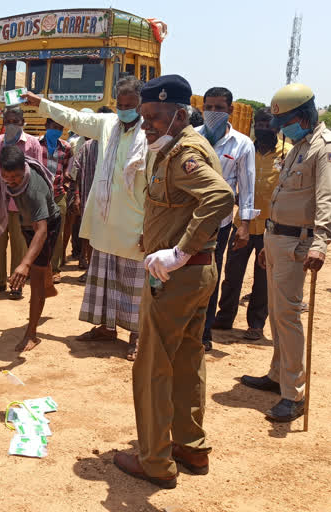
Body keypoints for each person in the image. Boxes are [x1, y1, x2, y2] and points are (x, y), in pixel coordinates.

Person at [111, 74, 234, 488]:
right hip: (194, 273)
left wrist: (178, 250)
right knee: (186, 361)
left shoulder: (185, 152)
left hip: (177, 277)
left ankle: (155, 461)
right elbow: (181, 204)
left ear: (179, 114)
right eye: (144, 117)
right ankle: (190, 446)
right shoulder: (171, 147)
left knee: (152, 367)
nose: (146, 125)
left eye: (154, 117)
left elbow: (219, 197)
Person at [23, 76, 149, 361]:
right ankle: (105, 327)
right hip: (105, 219)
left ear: (141, 105)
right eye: (121, 105)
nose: (124, 110)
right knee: (104, 278)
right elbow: (74, 118)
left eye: (130, 106)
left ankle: (138, 335)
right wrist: (41, 103)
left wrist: (148, 226)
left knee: (134, 283)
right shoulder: (107, 125)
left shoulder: (149, 133)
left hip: (134, 221)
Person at [241, 83, 331, 422]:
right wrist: (268, 240)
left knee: (289, 317)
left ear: (304, 115)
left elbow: (327, 199)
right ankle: (278, 374)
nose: (283, 129)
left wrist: (321, 244)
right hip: (277, 238)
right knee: (279, 314)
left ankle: (294, 395)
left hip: (299, 243)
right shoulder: (298, 146)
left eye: (287, 121)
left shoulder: (324, 148)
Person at [213, 108, 290, 340]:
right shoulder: (246, 149)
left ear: (276, 127)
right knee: (232, 273)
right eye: (260, 124)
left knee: (263, 278)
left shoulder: (287, 154)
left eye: (268, 124)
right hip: (243, 224)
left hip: (271, 227)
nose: (263, 128)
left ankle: (256, 324)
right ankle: (224, 318)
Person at [196, 87, 258, 351]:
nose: (212, 113)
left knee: (209, 275)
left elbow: (247, 187)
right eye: (208, 107)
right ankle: (182, 327)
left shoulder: (242, 144)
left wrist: (244, 226)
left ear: (230, 110)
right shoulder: (192, 137)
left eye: (218, 108)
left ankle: (204, 332)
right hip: (184, 220)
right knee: (180, 273)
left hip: (218, 225)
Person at [0, 146, 61, 352]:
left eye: (16, 176)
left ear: (23, 169)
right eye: (7, 176)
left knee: (35, 275)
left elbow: (41, 231)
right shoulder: (10, 180)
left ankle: (32, 334)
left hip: (47, 225)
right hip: (27, 222)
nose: (12, 180)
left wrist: (24, 264)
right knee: (39, 264)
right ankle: (47, 281)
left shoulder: (34, 188)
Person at [0, 107, 40, 299]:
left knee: (19, 244)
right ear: (3, 122)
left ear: (22, 122)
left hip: (22, 203)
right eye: (8, 121)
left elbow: (38, 174)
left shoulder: (32, 144)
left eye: (16, 121)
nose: (12, 124)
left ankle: (16, 285)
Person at [66, 106, 112, 269]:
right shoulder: (87, 146)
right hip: (89, 197)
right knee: (88, 232)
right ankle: (87, 263)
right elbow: (74, 173)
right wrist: (77, 196)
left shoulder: (117, 145)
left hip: (112, 200)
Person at [38, 118, 73, 283]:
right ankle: (37, 267)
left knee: (57, 233)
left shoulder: (66, 147)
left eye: (60, 128)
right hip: (38, 195)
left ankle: (55, 269)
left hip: (58, 194)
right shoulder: (36, 144)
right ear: (46, 126)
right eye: (54, 127)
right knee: (37, 231)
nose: (56, 130)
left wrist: (65, 185)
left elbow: (68, 169)